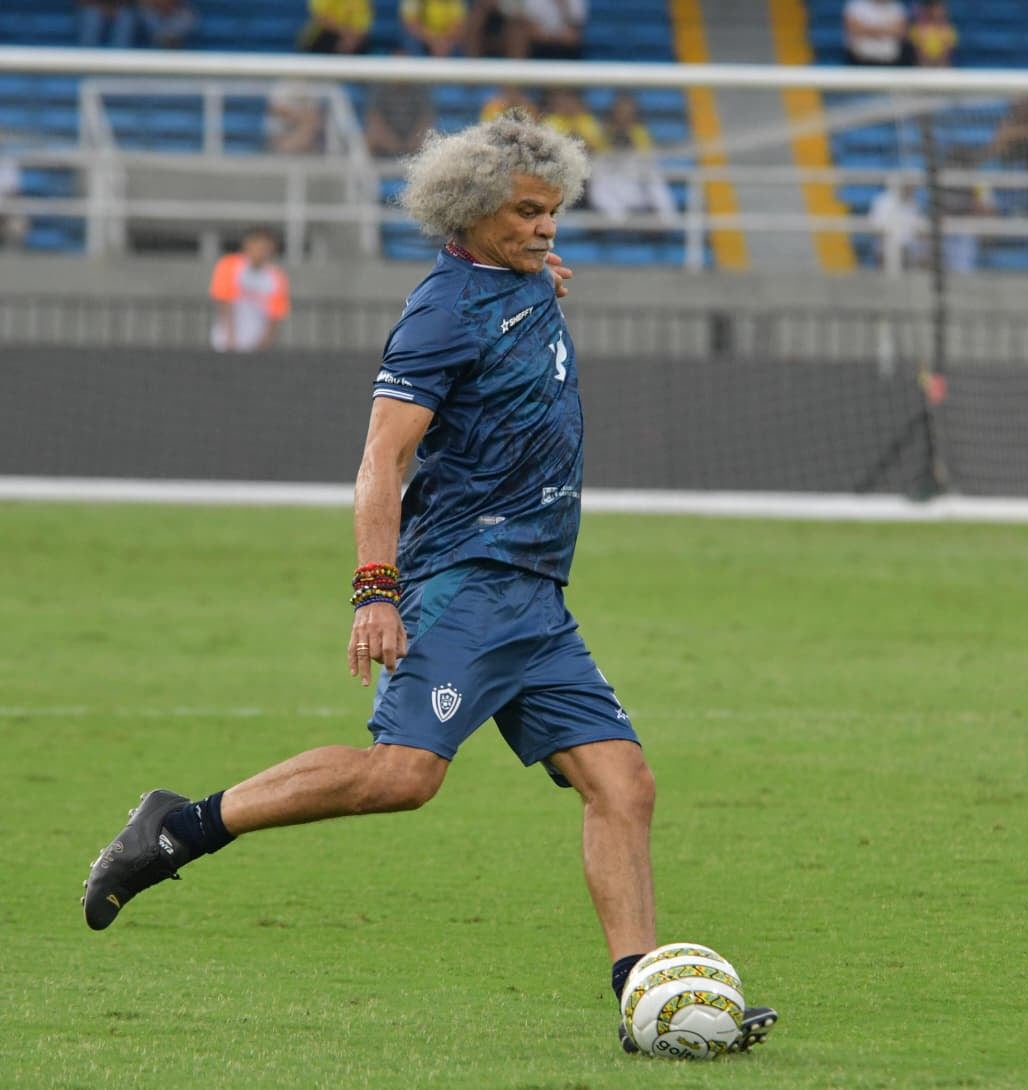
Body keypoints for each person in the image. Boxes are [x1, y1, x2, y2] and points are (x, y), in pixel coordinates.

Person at [82, 109, 779, 1057]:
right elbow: (382, 459)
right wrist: (375, 589)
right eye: (526, 212)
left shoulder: (523, 279)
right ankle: (179, 828)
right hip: (467, 579)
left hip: (535, 593)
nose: (546, 226)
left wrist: (533, 272)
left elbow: (520, 288)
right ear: (469, 210)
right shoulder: (442, 314)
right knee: (402, 777)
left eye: (553, 210)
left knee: (624, 784)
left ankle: (643, 1000)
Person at [587, 93, 678, 227]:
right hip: (610, 175)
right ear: (614, 112)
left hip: (634, 177)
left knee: (654, 176)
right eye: (621, 111)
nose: (624, 115)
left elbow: (647, 156)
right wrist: (611, 141)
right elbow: (596, 152)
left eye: (628, 111)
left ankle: (667, 218)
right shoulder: (603, 130)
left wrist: (631, 142)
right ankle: (618, 220)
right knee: (598, 179)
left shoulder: (640, 132)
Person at [208, 227, 290, 353]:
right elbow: (224, 302)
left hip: (256, 345)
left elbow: (275, 316)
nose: (261, 252)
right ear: (247, 245)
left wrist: (264, 344)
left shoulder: (276, 276)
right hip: (226, 343)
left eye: (266, 248)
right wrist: (230, 338)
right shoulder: (229, 265)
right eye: (258, 246)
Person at [364, 61, 436, 159]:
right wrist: (392, 142)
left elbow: (426, 119)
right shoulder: (381, 91)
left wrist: (413, 140)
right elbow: (375, 118)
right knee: (370, 137)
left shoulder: (418, 91)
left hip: (412, 141)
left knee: (430, 137)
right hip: (388, 141)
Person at [507, 0, 588, 61]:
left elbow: (574, 36)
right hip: (534, 43)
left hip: (563, 46)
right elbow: (517, 21)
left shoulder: (574, 2)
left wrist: (562, 5)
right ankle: (515, 74)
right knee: (516, 34)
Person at [265, 80, 327, 155]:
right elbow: (277, 109)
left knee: (310, 123)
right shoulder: (280, 87)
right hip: (282, 144)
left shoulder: (314, 87)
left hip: (308, 149)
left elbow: (315, 118)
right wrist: (301, 116)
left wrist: (305, 119)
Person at [842, 0, 910, 66]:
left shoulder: (897, 7)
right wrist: (887, 30)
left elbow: (901, 32)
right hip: (859, 59)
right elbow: (855, 29)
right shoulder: (855, 5)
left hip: (892, 60)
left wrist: (869, 30)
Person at [541, 87, 605, 153]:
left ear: (577, 102)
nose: (567, 105)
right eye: (563, 101)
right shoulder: (550, 120)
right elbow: (548, 145)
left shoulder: (587, 120)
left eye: (570, 101)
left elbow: (596, 147)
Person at [298, 0, 372, 54]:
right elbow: (321, 18)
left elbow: (362, 24)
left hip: (352, 38)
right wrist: (344, 33)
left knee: (362, 41)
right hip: (322, 36)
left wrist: (351, 39)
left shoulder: (361, 2)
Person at [399, 0, 468, 57]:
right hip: (423, 40)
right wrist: (433, 41)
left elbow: (458, 23)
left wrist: (444, 42)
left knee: (460, 43)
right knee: (412, 43)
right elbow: (411, 22)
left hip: (447, 41)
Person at [908, 0, 956, 68]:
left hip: (942, 66)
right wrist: (927, 62)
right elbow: (917, 51)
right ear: (929, 10)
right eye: (936, 9)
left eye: (940, 10)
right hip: (922, 65)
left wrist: (939, 63)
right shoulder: (917, 28)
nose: (938, 13)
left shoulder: (949, 29)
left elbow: (949, 52)